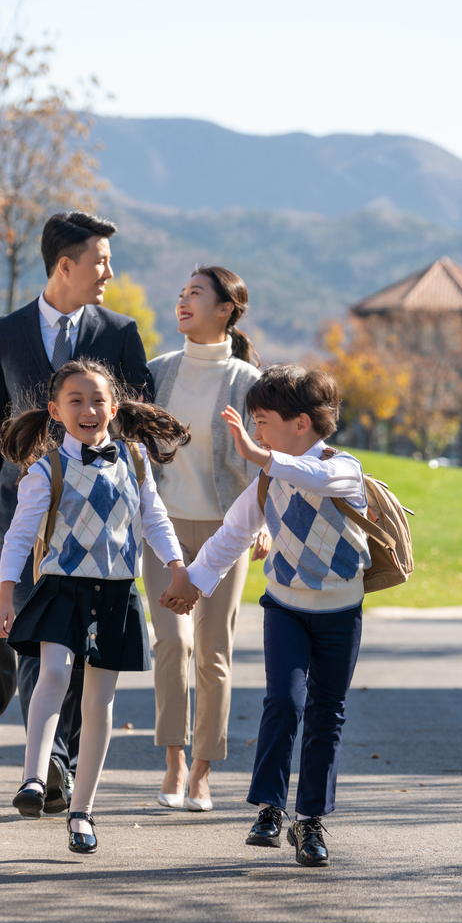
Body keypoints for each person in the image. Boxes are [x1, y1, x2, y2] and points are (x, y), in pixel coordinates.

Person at [0, 211, 153, 814]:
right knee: (36, 639)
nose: (109, 272)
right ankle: (49, 761)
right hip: (21, 511)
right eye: (99, 260)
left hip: (97, 524)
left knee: (83, 646)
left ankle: (66, 761)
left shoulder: (120, 332)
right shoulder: (4, 331)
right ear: (65, 265)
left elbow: (136, 427)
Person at [161, 364, 369, 866]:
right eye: (253, 423)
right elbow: (231, 536)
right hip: (285, 609)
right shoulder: (264, 481)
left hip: (341, 613)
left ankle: (311, 821)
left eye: (263, 420)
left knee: (327, 713)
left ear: (302, 423)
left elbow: (313, 475)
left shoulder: (343, 468)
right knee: (284, 702)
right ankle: (270, 809)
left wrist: (263, 458)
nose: (255, 432)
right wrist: (192, 581)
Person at [0, 358, 197, 854]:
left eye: (97, 400)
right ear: (55, 411)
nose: (88, 409)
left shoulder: (136, 459)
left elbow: (155, 519)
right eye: (76, 401)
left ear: (114, 407)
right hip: (62, 587)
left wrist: (177, 565)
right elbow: (18, 536)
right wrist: (6, 595)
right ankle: (34, 779)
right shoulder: (45, 469)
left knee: (98, 701)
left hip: (116, 593)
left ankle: (82, 812)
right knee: (54, 673)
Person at [143, 266, 270, 812]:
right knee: (173, 641)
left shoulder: (247, 382)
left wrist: (261, 523)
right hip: (163, 530)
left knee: (213, 650)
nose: (182, 300)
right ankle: (172, 759)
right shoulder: (154, 373)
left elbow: (266, 455)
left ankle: (202, 771)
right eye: (181, 293)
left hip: (226, 531)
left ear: (226, 309)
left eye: (195, 293)